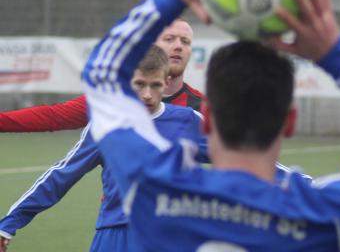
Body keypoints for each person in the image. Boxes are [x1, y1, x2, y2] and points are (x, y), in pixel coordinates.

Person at [82, 0, 340, 250]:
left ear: (206, 119)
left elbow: (102, 72)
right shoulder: (320, 214)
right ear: (289, 122)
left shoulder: (154, 188)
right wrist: (333, 53)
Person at [0, 45, 208, 252]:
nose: (147, 94)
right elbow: (61, 176)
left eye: (155, 85)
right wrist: (9, 224)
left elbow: (233, 155)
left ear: (167, 81)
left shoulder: (188, 120)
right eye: (139, 84)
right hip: (114, 234)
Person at [0, 18, 204, 133]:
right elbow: (53, 117)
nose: (178, 46)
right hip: (120, 209)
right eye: (169, 39)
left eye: (185, 42)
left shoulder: (201, 108)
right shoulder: (114, 99)